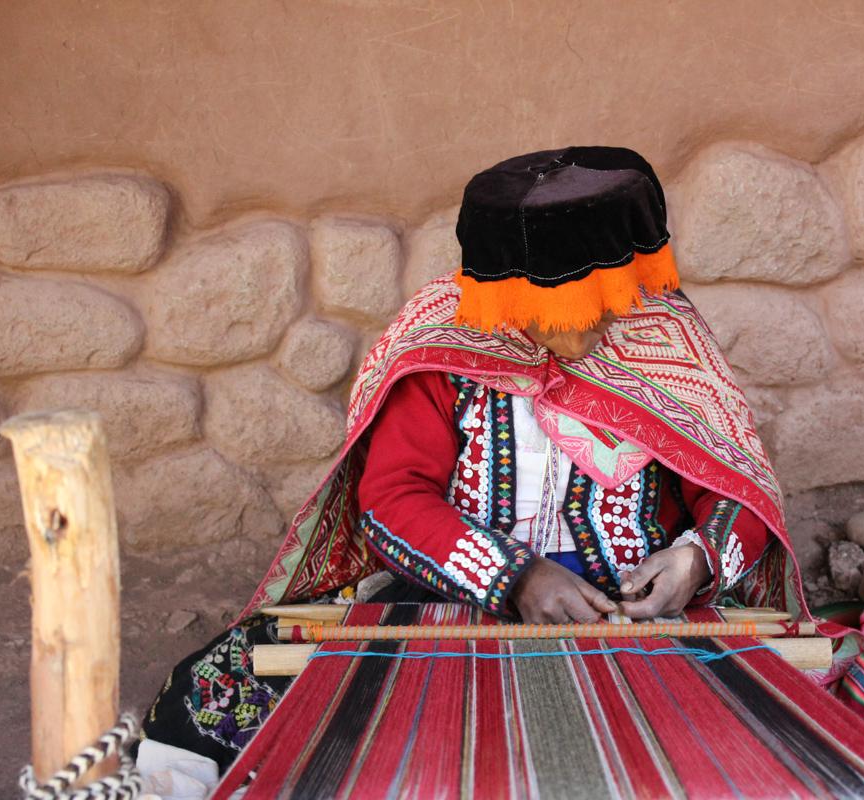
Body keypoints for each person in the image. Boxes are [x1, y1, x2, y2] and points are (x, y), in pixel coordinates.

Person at [137, 146, 806, 792]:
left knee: (776, 715)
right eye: (570, 308)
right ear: (513, 293)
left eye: (607, 298)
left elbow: (736, 487)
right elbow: (392, 499)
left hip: (634, 613)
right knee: (216, 693)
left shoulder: (665, 337)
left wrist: (691, 564)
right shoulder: (442, 348)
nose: (598, 322)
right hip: (455, 596)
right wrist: (516, 577)